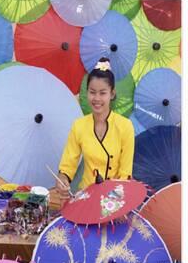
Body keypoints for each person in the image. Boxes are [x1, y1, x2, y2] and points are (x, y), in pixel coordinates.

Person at [56, 57, 135, 203]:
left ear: (112, 94)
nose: (96, 98)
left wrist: (113, 202)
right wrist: (62, 179)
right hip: (85, 196)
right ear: (87, 93)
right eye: (92, 92)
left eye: (102, 93)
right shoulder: (78, 125)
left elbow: (125, 174)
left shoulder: (125, 126)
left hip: (115, 200)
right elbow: (68, 165)